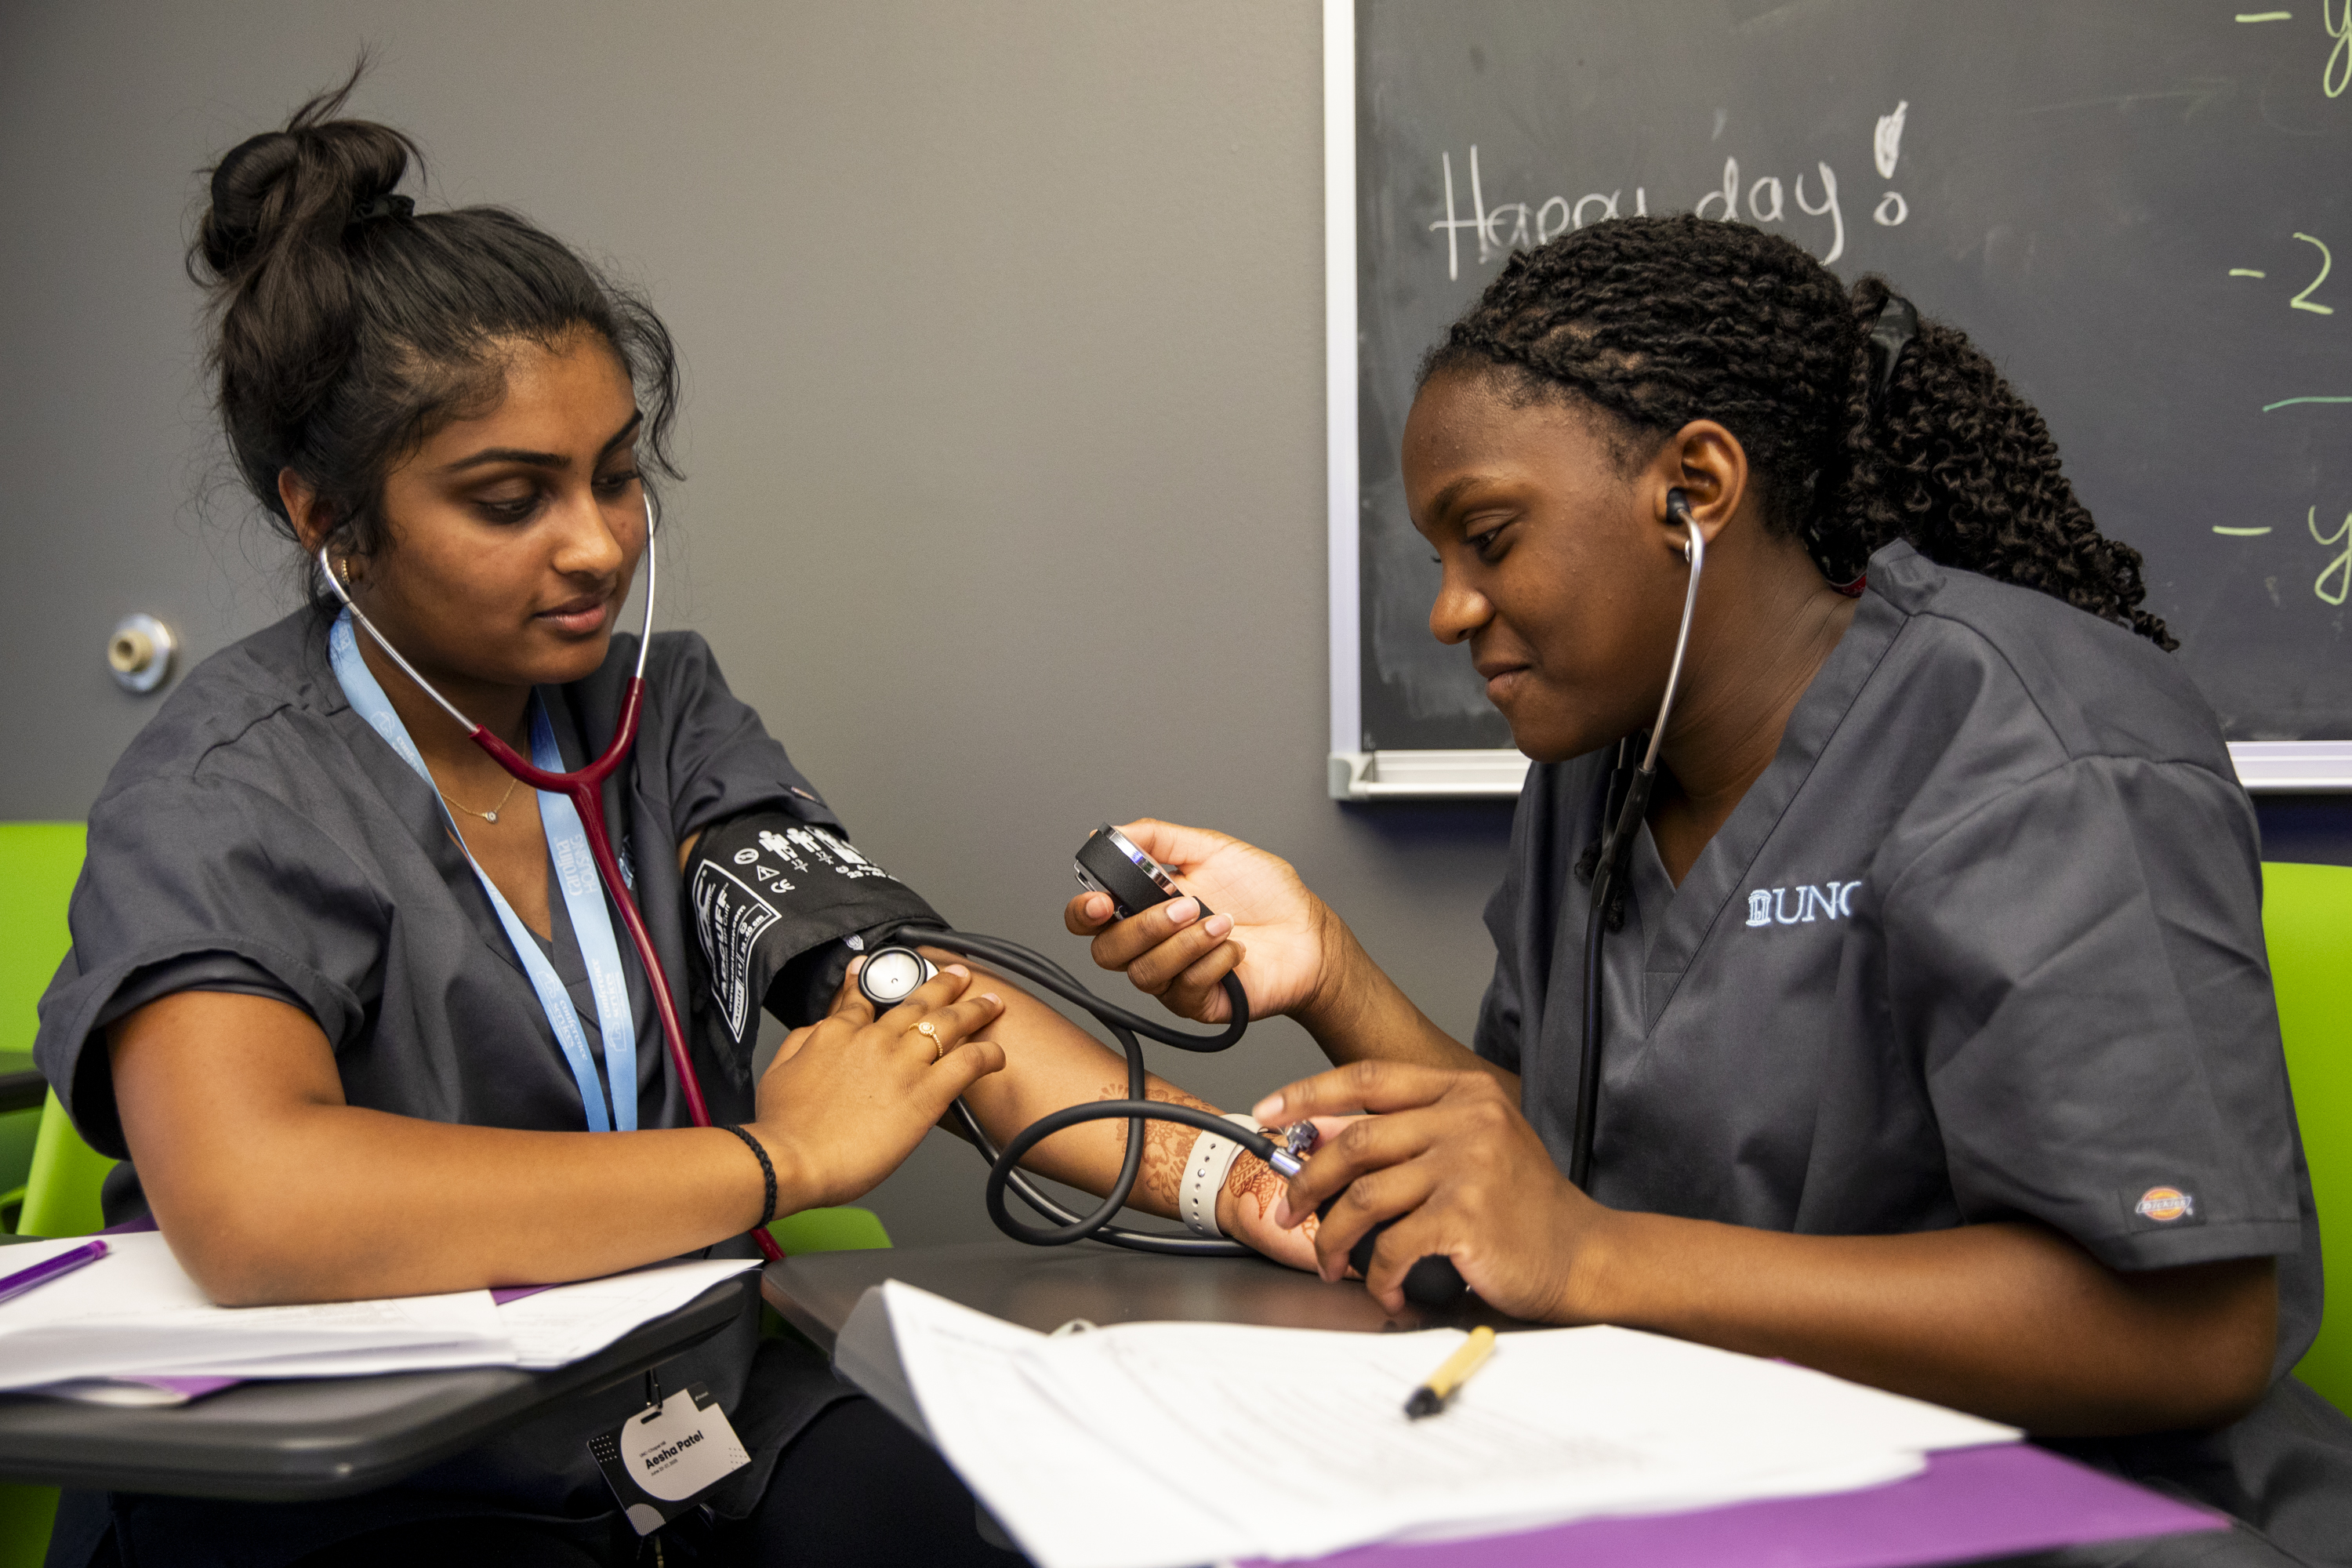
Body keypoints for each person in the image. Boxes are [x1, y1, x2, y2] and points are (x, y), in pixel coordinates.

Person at [32, 78, 1310, 1568]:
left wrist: (1250, 1183)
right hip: (368, 1458)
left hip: (672, 1402)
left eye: (618, 476)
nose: (596, 547)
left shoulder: (659, 713)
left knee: (948, 1521)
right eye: (510, 499)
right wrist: (777, 1164)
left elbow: (902, 1001)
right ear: (327, 516)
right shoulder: (222, 789)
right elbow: (257, 1204)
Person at [1072, 215, 2352, 1565]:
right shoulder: (1602, 765)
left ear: (1694, 487)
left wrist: (1588, 1260)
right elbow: (1560, 1169)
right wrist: (1328, 972)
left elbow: (2192, 1331)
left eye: (1490, 537)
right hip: (1730, 1469)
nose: (1451, 609)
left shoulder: (2036, 741)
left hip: (2094, 1518)